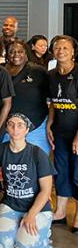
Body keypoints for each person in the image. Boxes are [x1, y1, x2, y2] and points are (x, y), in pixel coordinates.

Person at [0, 113, 55, 248]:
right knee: (2, 245)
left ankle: (44, 235)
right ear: (7, 128)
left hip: (37, 208)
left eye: (20, 125)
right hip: (11, 204)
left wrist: (31, 214)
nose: (15, 129)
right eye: (11, 124)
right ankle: (17, 228)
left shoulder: (37, 154)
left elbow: (46, 191)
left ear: (27, 130)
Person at [46, 35, 78, 229]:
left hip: (76, 133)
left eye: (65, 48)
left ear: (73, 51)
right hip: (60, 132)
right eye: (57, 48)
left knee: (77, 173)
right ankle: (60, 211)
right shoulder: (51, 75)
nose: (61, 51)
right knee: (61, 172)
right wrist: (49, 124)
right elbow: (52, 103)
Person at [3, 40, 50, 153]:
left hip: (35, 127)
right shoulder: (1, 71)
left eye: (20, 51)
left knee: (37, 163)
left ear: (26, 53)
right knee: (9, 165)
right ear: (6, 54)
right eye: (12, 52)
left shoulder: (38, 71)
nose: (16, 55)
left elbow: (52, 97)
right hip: (7, 129)